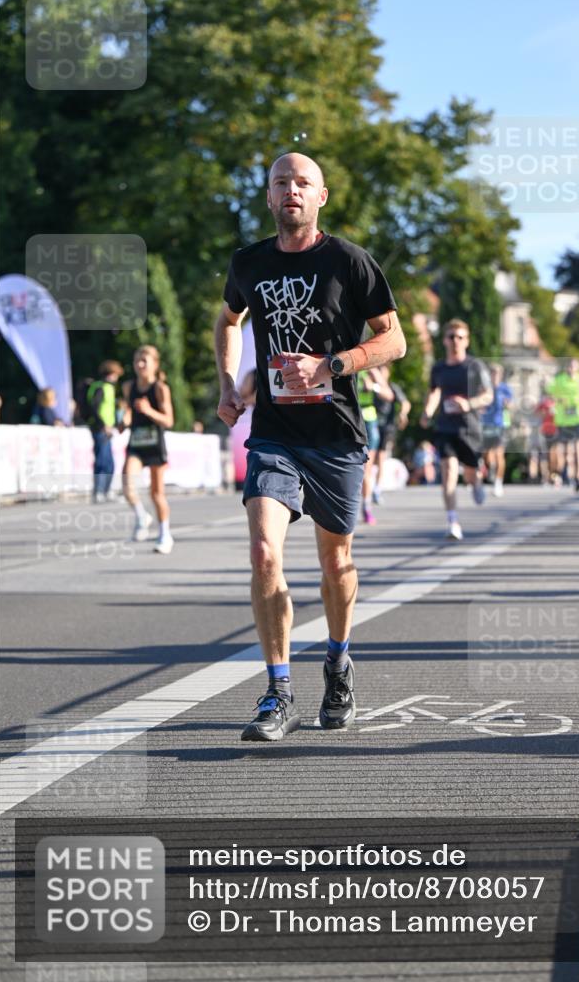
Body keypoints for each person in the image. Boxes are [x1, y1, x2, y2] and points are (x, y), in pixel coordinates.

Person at [215, 151, 405, 742]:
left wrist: (335, 364)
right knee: (264, 555)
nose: (291, 190)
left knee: (336, 562)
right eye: (280, 182)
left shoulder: (348, 260)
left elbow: (393, 339)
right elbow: (228, 320)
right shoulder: (248, 261)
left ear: (321, 196)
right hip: (273, 434)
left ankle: (339, 662)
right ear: (269, 197)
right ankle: (278, 692)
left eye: (303, 183)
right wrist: (227, 384)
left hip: (337, 437)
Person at [420, 319, 493, 540]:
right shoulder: (439, 368)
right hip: (445, 428)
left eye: (460, 337)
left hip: (469, 429)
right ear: (444, 340)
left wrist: (468, 404)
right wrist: (427, 412)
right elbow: (434, 393)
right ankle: (453, 522)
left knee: (470, 473)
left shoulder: (475, 366)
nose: (455, 341)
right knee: (449, 472)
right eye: (451, 337)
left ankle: (476, 482)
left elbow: (488, 395)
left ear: (467, 341)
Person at [121, 345, 175, 553]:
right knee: (127, 483)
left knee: (156, 493)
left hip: (154, 445)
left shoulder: (160, 388)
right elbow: (128, 411)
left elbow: (169, 420)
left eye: (144, 360)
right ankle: (141, 516)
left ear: (155, 364)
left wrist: (149, 410)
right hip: (136, 442)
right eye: (137, 361)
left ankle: (164, 534)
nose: (140, 364)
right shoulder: (128, 387)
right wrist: (123, 421)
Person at [546, 358, 579, 492]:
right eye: (569, 366)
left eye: (574, 366)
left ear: (578, 368)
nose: (571, 369)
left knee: (578, 449)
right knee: (563, 451)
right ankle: (562, 473)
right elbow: (551, 393)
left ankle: (578, 478)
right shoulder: (559, 379)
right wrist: (558, 398)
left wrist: (570, 400)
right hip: (563, 420)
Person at [357, 366, 394, 524]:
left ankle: (366, 506)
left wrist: (374, 387)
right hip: (346, 418)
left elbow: (389, 395)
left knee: (367, 467)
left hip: (368, 421)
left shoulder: (370, 369)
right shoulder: (340, 363)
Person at [85, 361, 124, 503]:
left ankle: (105, 491)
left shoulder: (104, 387)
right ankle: (99, 492)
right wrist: (103, 425)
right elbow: (95, 408)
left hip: (106, 428)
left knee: (109, 462)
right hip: (100, 428)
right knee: (102, 460)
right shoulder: (102, 388)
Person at [373, 363, 410, 504]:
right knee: (369, 457)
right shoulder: (370, 387)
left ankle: (377, 488)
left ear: (387, 373)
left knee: (381, 457)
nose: (380, 374)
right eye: (378, 371)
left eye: (383, 371)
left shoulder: (392, 387)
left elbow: (405, 403)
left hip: (386, 427)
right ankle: (367, 488)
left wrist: (403, 413)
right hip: (371, 423)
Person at [481, 363, 513, 497]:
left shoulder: (505, 389)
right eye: (493, 373)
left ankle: (498, 483)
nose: (495, 375)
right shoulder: (484, 388)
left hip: (500, 424)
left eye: (497, 373)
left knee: (499, 454)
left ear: (500, 375)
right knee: (487, 456)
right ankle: (491, 469)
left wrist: (507, 404)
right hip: (486, 424)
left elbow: (511, 405)